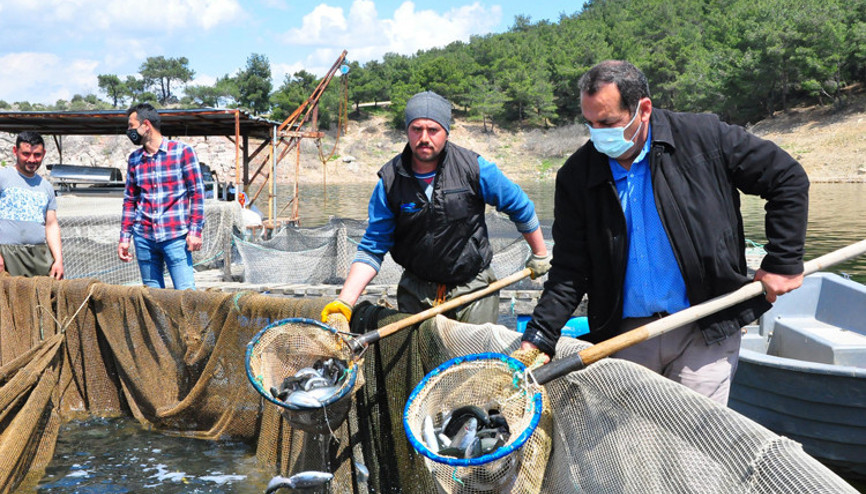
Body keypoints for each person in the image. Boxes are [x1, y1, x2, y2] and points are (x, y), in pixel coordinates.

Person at [517, 60, 809, 405]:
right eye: (590, 124)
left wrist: (784, 261)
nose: (598, 134)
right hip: (627, 335)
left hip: (706, 325)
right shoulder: (576, 175)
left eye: (608, 122)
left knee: (696, 441)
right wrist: (540, 334)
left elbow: (787, 179)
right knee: (635, 444)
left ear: (643, 109)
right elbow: (569, 268)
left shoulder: (705, 138)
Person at [322, 91, 551, 326]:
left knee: (471, 361)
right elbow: (372, 247)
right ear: (407, 131)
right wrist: (344, 303)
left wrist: (540, 254)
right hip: (417, 292)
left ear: (446, 132)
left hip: (473, 289)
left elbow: (521, 207)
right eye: (416, 129)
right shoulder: (390, 182)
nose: (424, 137)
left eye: (433, 130)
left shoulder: (474, 168)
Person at [118, 103, 205, 290]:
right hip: (144, 238)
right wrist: (125, 238)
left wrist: (195, 231)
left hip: (175, 237)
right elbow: (130, 201)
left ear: (146, 125)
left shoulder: (182, 152)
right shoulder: (134, 159)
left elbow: (196, 193)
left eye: (131, 126)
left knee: (186, 296)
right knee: (152, 299)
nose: (129, 131)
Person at [0, 132, 64, 279]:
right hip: (8, 254)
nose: (31, 159)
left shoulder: (46, 187)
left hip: (38, 255)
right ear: (15, 151)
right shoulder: (3, 178)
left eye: (37, 155)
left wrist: (58, 260)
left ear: (44, 154)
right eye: (26, 154)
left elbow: (52, 225)